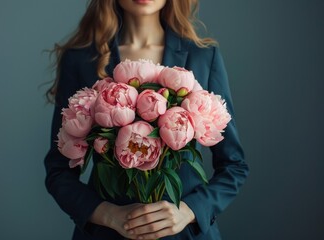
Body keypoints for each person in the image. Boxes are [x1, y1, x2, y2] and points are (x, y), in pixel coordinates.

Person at [44, 0, 249, 239]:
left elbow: (234, 165)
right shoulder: (81, 59)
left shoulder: (203, 57)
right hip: (107, 234)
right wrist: (110, 215)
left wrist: (188, 211)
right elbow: (59, 170)